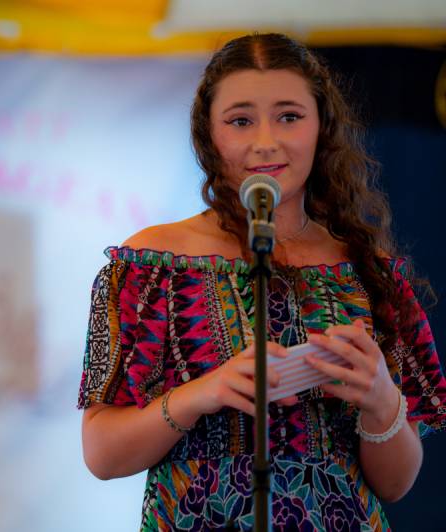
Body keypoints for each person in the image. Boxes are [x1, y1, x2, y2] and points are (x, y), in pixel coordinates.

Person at [77, 33, 446, 531]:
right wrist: (203, 393)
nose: (266, 140)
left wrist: (381, 398)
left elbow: (397, 484)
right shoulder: (149, 264)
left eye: (289, 116)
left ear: (322, 128)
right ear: (210, 135)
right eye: (241, 120)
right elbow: (102, 455)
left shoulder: (370, 274)